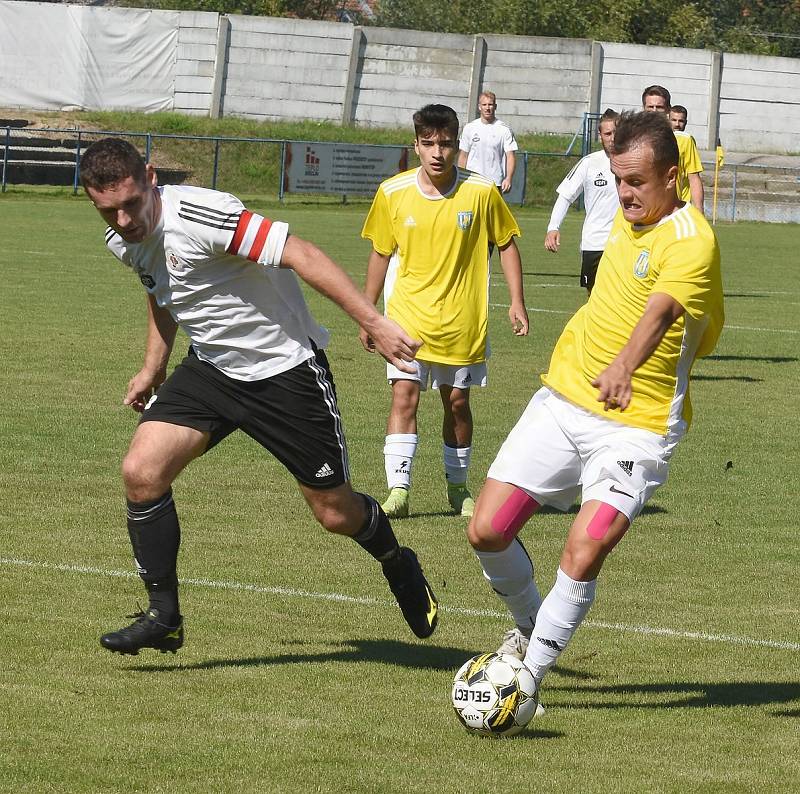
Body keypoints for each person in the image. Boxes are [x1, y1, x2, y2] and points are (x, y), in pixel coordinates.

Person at [80, 137, 440, 656]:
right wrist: (152, 367)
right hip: (212, 371)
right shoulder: (121, 238)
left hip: (284, 371)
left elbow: (302, 254)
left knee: (335, 513)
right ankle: (165, 616)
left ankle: (395, 561)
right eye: (107, 210)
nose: (123, 220)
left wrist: (374, 322)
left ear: (151, 178)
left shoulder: (202, 216)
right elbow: (162, 289)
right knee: (142, 471)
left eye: (131, 204)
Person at [466, 111, 723, 703]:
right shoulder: (621, 221)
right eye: (617, 179)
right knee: (486, 530)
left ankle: (528, 678)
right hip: (563, 400)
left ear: (674, 178)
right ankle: (533, 626)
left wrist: (626, 366)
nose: (624, 193)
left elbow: (661, 310)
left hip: (638, 425)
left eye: (638, 181)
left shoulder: (693, 239)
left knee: (586, 547)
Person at [360, 104, 529, 520]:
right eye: (429, 143)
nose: (438, 152)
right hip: (407, 319)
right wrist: (367, 313)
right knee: (404, 396)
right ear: (415, 145)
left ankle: (458, 488)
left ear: (458, 146)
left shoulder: (482, 192)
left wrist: (517, 301)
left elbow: (506, 243)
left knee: (456, 403)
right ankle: (398, 490)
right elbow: (381, 253)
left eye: (446, 144)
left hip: (462, 323)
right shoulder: (392, 193)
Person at [544, 108, 619, 294]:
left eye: (616, 133)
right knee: (593, 297)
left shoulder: (635, 162)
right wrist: (553, 227)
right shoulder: (589, 163)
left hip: (624, 242)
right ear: (600, 135)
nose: (612, 138)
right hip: (595, 242)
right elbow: (565, 195)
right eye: (607, 133)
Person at [642, 85, 704, 211]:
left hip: (672, 211)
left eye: (659, 107)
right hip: (642, 210)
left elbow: (694, 178)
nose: (654, 111)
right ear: (644, 108)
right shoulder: (635, 137)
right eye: (650, 107)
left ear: (667, 110)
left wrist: (699, 213)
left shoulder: (684, 140)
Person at [457, 91, 518, 194]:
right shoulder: (469, 128)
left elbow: (510, 156)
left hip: (494, 182)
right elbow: (463, 156)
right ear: (479, 107)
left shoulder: (504, 130)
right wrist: (459, 178)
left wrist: (508, 178)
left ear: (495, 106)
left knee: (492, 210)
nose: (487, 108)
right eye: (484, 105)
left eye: (490, 104)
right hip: (472, 180)